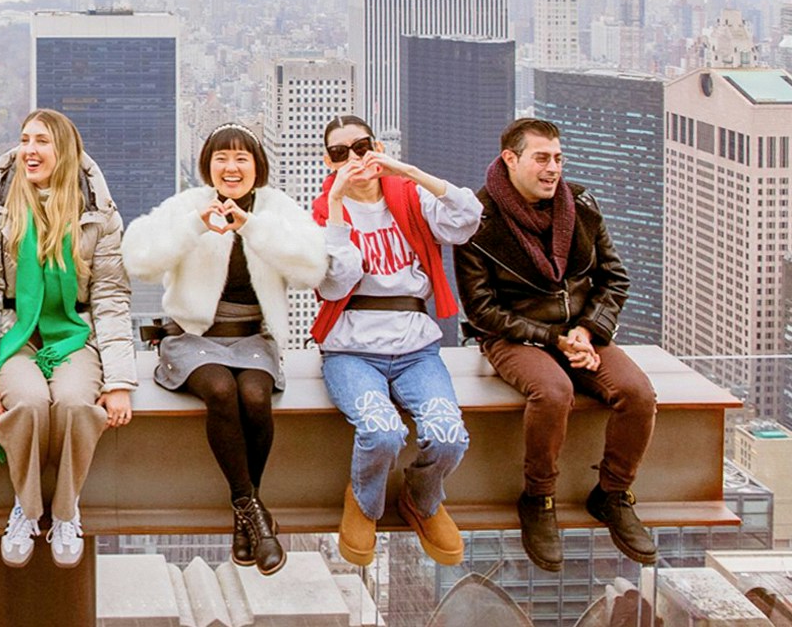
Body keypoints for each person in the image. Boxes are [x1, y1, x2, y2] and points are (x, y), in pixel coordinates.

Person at [121, 123, 326, 574]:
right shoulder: (189, 205)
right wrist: (195, 226)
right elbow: (138, 258)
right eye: (221, 158)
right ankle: (253, 513)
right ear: (207, 165)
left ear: (258, 166)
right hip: (192, 336)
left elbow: (312, 267)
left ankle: (245, 515)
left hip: (252, 336)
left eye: (241, 159)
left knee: (254, 395)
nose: (231, 168)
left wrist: (252, 228)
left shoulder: (276, 208)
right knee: (219, 389)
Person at [456, 117, 657, 572]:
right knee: (552, 392)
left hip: (581, 332)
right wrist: (554, 338)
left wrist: (587, 330)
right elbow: (482, 310)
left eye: (559, 159)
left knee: (638, 393)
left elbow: (614, 278)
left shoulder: (580, 204)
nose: (553, 169)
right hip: (515, 335)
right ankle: (539, 498)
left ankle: (613, 493)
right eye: (542, 158)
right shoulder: (478, 220)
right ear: (510, 159)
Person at [0, 110, 135, 569]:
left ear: (65, 152)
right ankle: (27, 507)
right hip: (13, 331)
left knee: (77, 404)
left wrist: (119, 381)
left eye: (42, 141)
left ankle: (66, 510)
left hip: (74, 332)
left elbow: (110, 296)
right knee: (29, 403)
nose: (29, 150)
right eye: (25, 140)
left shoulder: (97, 211)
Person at [311, 115, 477, 568]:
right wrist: (339, 202)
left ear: (377, 148)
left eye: (362, 147)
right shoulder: (323, 213)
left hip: (416, 348)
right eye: (341, 153)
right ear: (329, 162)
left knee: (448, 435)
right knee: (382, 431)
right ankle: (364, 503)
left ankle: (423, 499)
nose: (354, 159)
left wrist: (407, 172)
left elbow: (466, 219)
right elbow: (335, 283)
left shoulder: (409, 197)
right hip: (351, 350)